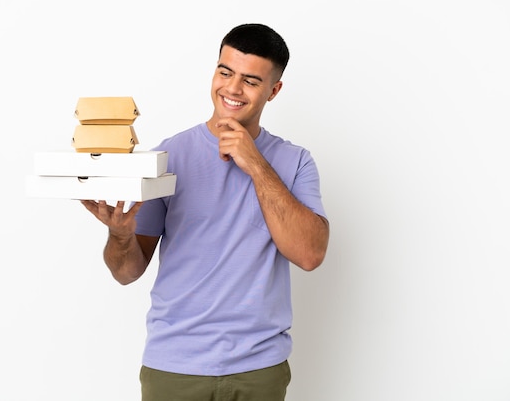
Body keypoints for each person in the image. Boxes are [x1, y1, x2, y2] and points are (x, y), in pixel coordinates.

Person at [81, 23, 329, 401]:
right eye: (225, 72)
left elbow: (309, 254)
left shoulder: (295, 162)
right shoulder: (169, 156)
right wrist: (119, 236)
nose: (231, 89)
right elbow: (127, 272)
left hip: (259, 369)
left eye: (250, 80)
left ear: (274, 90)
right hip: (174, 368)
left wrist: (256, 163)